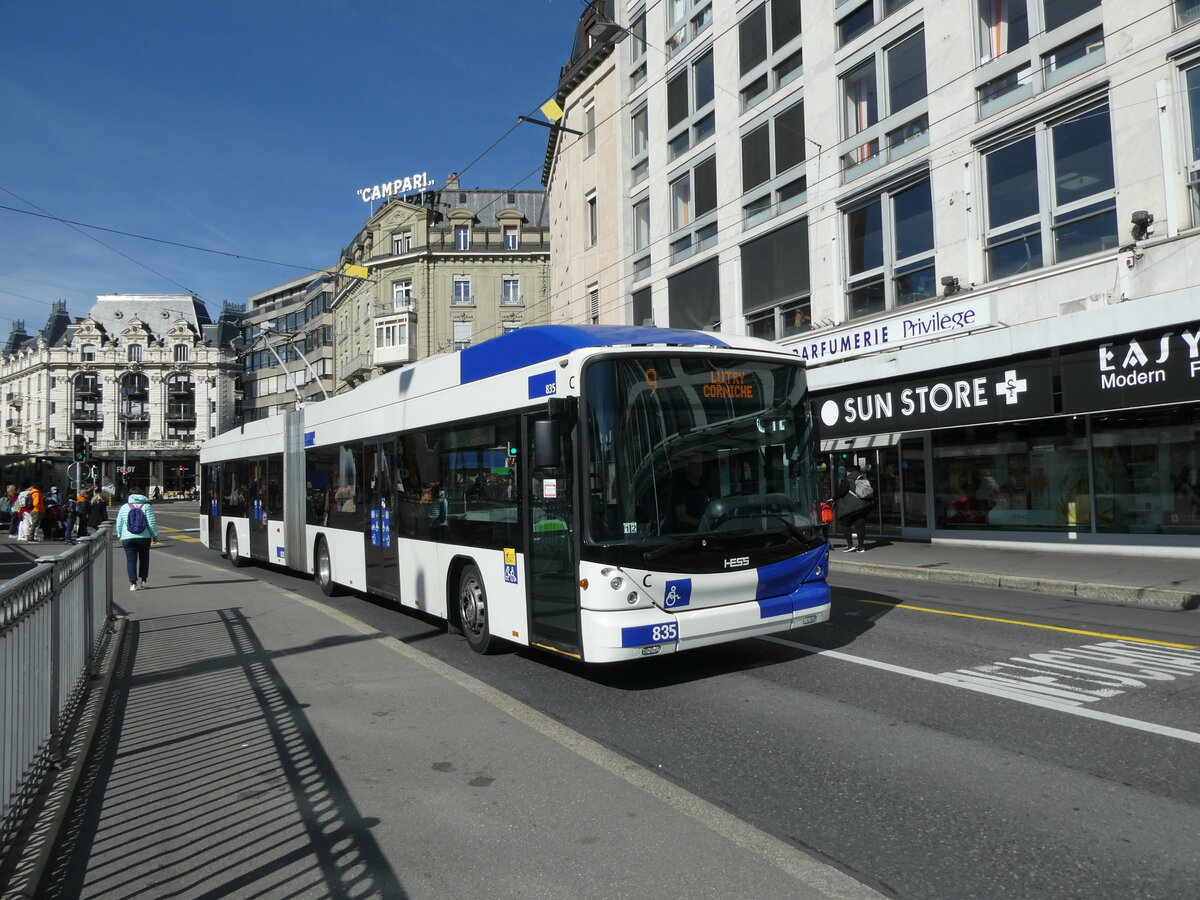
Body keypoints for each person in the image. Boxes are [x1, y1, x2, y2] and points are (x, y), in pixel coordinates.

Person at [115, 492, 158, 591]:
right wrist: (154, 535)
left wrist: (119, 535)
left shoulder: (124, 507)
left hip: (127, 537)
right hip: (144, 537)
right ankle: (143, 581)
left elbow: (119, 523)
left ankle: (133, 583)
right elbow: (151, 522)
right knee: (144, 559)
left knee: (131, 560)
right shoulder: (147, 506)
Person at [832, 465, 875, 552]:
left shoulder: (848, 480)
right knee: (860, 526)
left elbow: (841, 492)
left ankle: (850, 545)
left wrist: (834, 498)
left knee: (845, 523)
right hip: (862, 507)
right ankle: (861, 547)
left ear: (850, 472)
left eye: (847, 472)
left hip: (850, 507)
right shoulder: (863, 480)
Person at [670, 456, 712, 531]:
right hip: (688, 535)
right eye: (696, 466)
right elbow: (681, 516)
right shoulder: (681, 488)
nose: (699, 469)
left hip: (705, 532)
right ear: (688, 467)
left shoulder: (702, 487)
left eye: (701, 465)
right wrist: (702, 523)